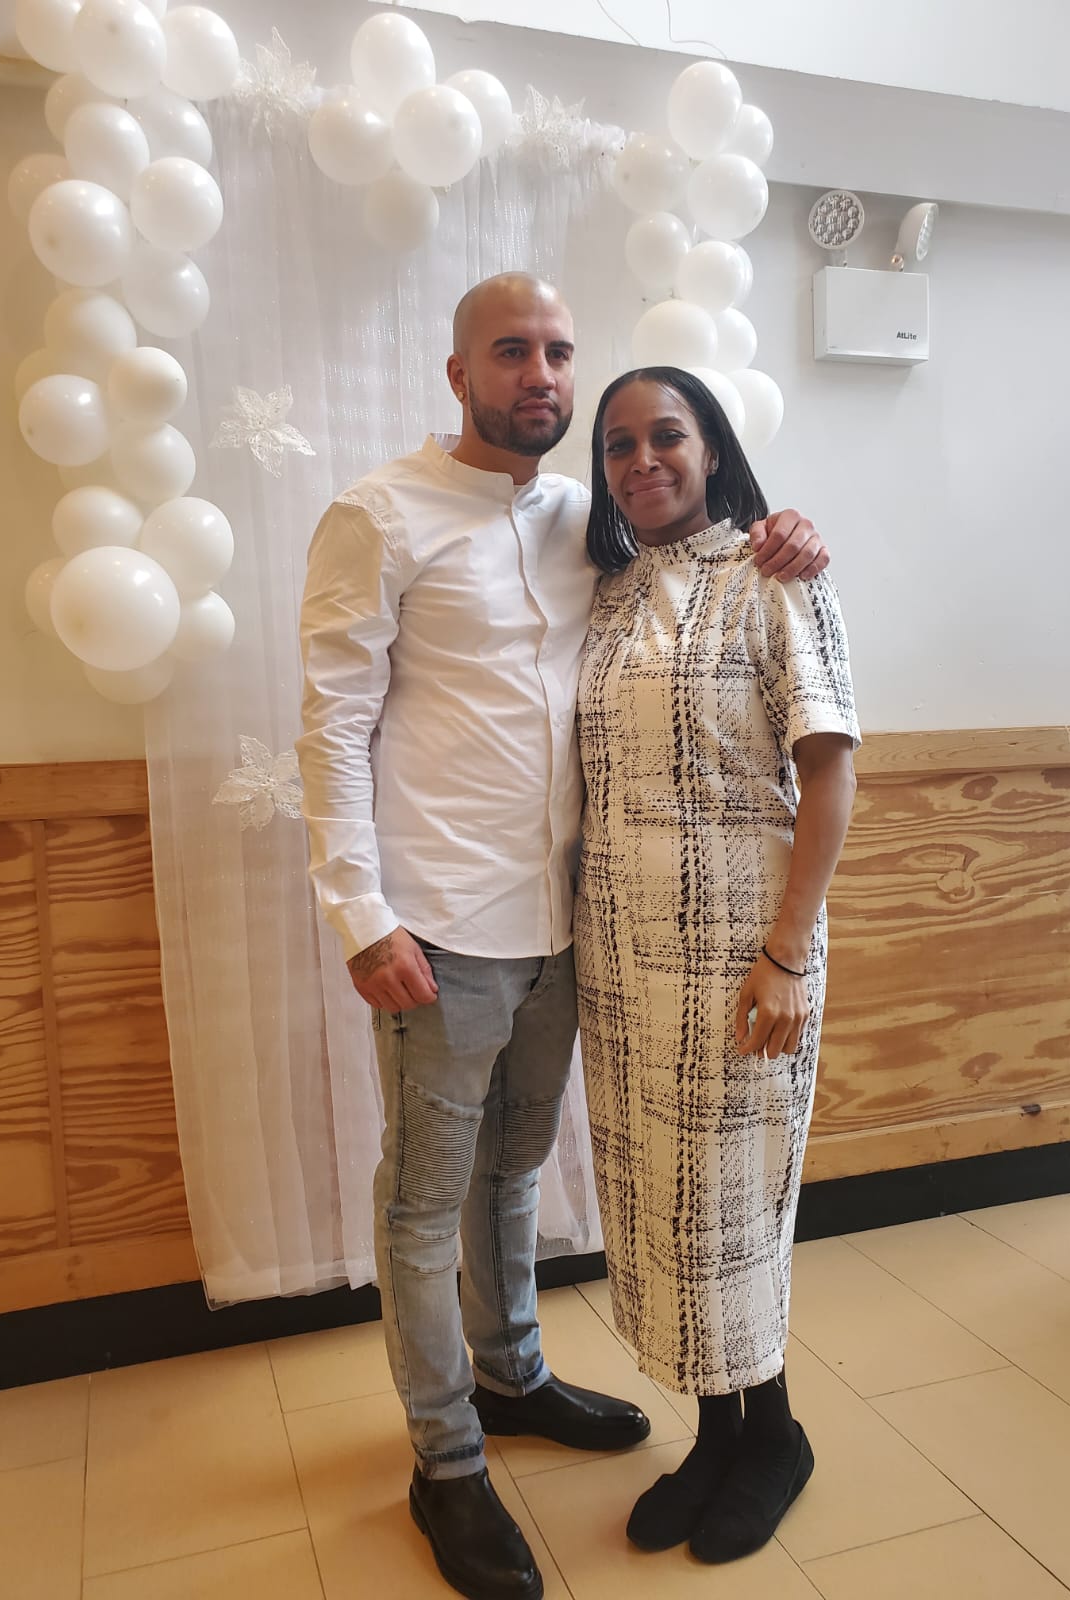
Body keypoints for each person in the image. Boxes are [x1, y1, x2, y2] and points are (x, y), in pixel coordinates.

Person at [297, 274, 829, 1600]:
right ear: (459, 371)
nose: (540, 373)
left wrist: (791, 536)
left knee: (516, 1174)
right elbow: (329, 725)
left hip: (573, 932)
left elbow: (734, 588)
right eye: (511, 352)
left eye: (557, 354)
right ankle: (447, 1463)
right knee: (426, 1199)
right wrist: (359, 912)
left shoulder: (594, 531)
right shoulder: (377, 514)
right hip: (437, 930)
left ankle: (515, 1375)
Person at [574, 365, 860, 1566]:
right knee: (670, 1210)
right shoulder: (605, 596)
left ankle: (773, 1437)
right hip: (622, 956)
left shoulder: (773, 577)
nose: (644, 458)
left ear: (712, 449)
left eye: (668, 435)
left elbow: (832, 769)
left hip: (746, 951)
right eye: (621, 443)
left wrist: (788, 951)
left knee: (737, 1202)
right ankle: (717, 1434)